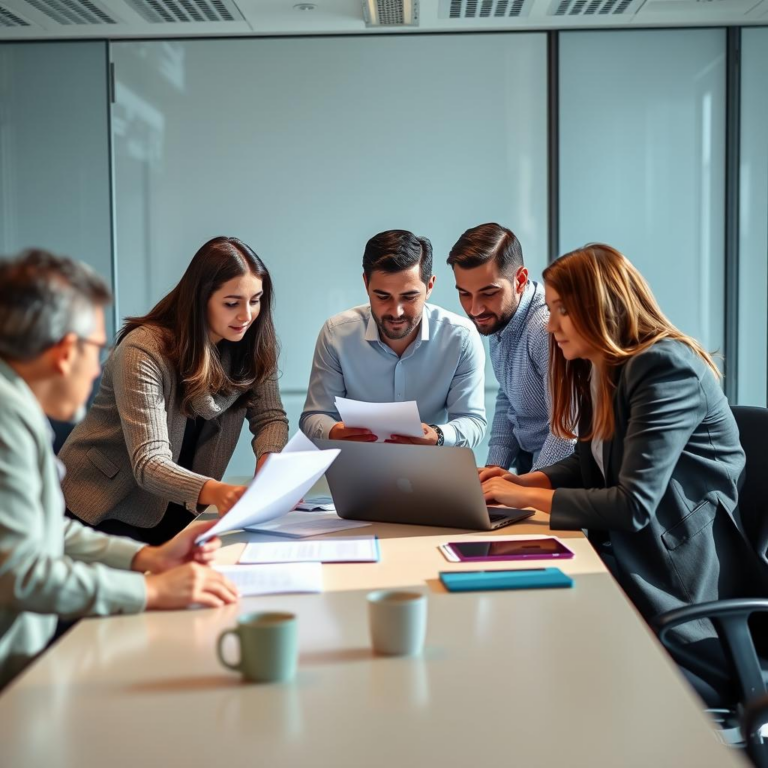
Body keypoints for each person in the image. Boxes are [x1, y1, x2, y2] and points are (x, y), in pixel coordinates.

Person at [480, 243, 766, 699]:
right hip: (625, 560)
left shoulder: (664, 368)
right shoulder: (606, 366)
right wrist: (526, 481)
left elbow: (633, 505)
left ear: (602, 307)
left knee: (545, 648)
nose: (550, 326)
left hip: (681, 592)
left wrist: (523, 498)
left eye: (562, 311)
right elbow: (593, 460)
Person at [0, 250, 238, 689]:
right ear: (67, 352)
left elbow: (47, 530)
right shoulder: (5, 423)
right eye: (98, 350)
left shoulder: (17, 409)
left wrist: (146, 558)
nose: (98, 369)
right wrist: (150, 591)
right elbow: (22, 572)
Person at [60, 236, 289, 544]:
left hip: (181, 506)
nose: (246, 315)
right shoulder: (143, 350)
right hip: (105, 504)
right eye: (232, 303)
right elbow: (149, 462)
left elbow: (270, 417)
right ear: (200, 300)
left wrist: (269, 468)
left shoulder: (253, 344)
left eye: (256, 300)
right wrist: (220, 492)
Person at [300, 229, 486, 447]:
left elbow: (473, 421)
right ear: (365, 284)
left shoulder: (460, 337)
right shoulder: (336, 335)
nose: (396, 311)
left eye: (409, 297)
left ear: (430, 286)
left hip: (431, 470)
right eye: (383, 296)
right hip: (358, 469)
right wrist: (333, 431)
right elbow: (313, 417)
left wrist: (438, 435)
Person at [448, 223, 574, 474]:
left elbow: (566, 433)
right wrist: (495, 469)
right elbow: (509, 401)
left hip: (562, 471)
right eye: (465, 294)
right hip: (534, 465)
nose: (475, 310)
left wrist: (526, 487)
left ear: (520, 280)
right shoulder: (501, 317)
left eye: (488, 293)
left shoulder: (544, 329)